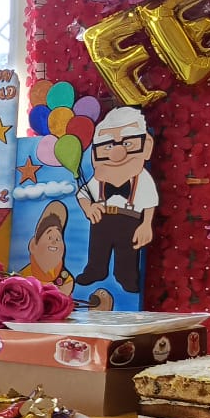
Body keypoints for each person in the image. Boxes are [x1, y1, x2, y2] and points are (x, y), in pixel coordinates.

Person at [76, 106, 157, 294]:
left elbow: (150, 202)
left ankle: (126, 277)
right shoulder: (98, 179)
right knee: (97, 249)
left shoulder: (142, 178)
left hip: (129, 219)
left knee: (127, 253)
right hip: (102, 219)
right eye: (108, 146)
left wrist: (146, 225)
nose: (117, 153)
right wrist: (89, 208)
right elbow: (82, 195)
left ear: (146, 146)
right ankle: (95, 270)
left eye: (128, 143)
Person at [16, 199, 76, 292]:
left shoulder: (65, 281)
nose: (54, 242)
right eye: (49, 238)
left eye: (58, 239)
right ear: (33, 245)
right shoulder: (22, 277)